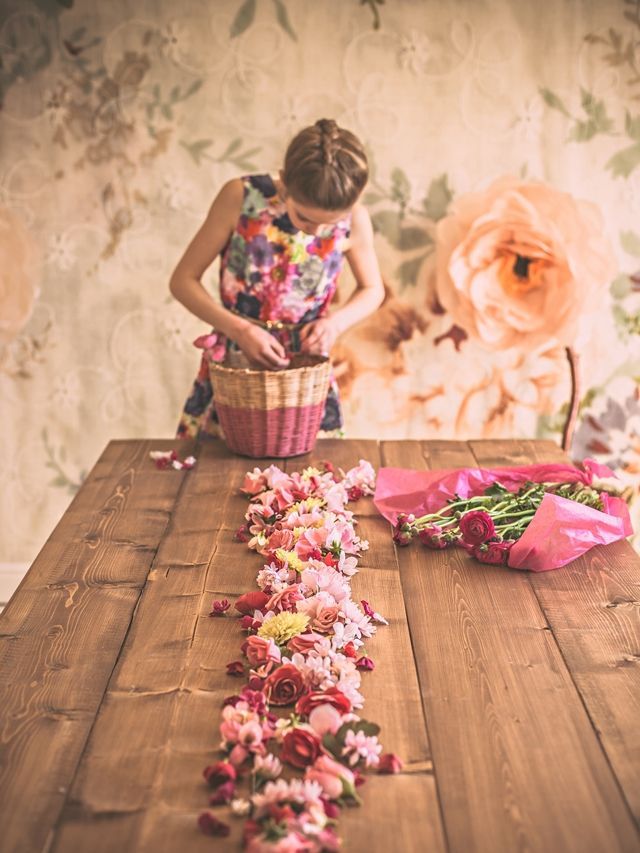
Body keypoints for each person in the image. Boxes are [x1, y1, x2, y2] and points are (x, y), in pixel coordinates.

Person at [169, 117, 384, 439]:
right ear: (284, 181)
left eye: (331, 223)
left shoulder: (356, 218)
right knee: (214, 474)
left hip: (306, 376)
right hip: (237, 362)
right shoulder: (241, 197)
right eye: (305, 218)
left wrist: (334, 325)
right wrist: (240, 330)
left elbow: (372, 289)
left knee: (305, 480)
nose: (316, 232)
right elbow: (183, 280)